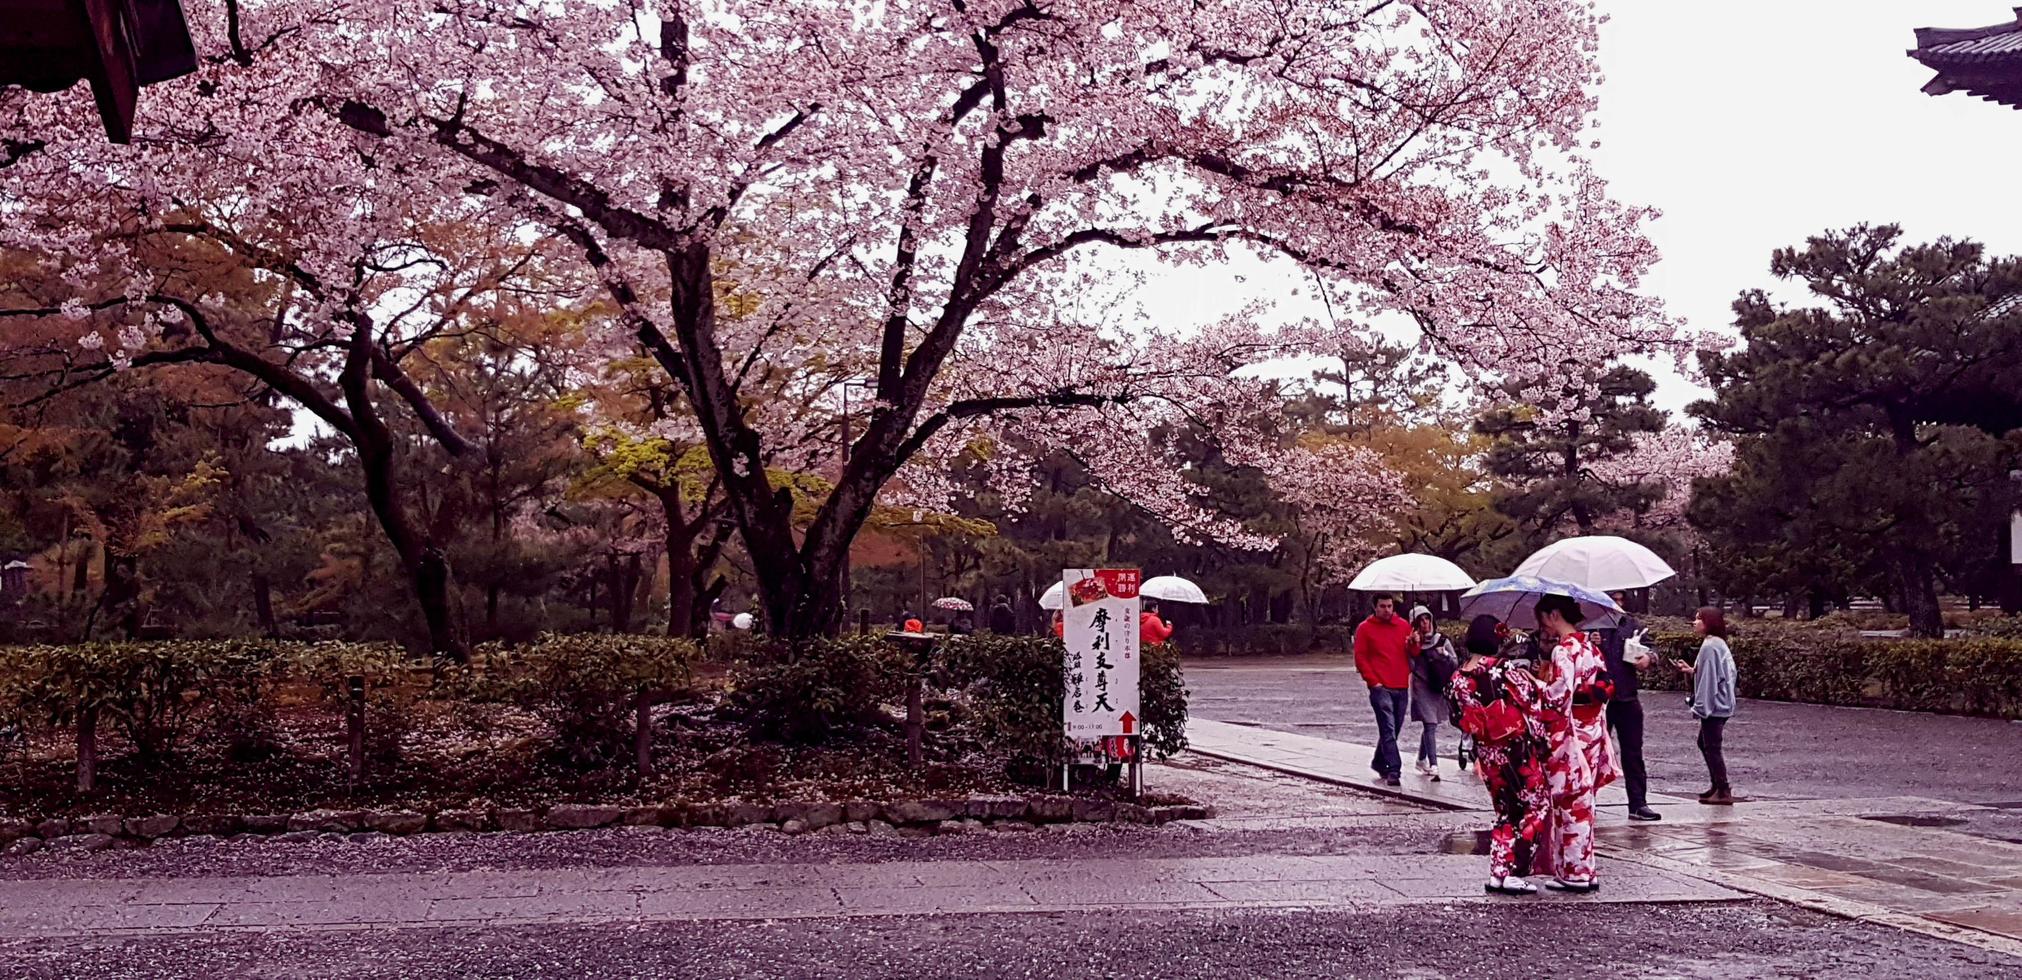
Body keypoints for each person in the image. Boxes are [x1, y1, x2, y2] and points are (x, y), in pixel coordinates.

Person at [1448, 613, 1551, 895]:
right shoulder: (1500, 669)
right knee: (1536, 806)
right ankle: (1516, 869)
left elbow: (1457, 718)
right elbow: (1531, 697)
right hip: (1516, 749)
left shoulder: (1458, 677)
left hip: (1487, 752)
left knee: (1505, 811)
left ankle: (1499, 871)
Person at [1532, 593, 1618, 894]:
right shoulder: (1592, 649)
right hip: (1592, 730)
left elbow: (1559, 696)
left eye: (1543, 618)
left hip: (1570, 733)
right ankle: (1585, 867)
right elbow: (1603, 687)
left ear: (1554, 615)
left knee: (1569, 803)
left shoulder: (1564, 651)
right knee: (1585, 800)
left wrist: (1536, 686)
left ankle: (1575, 871)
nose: (1543, 626)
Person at [1599, 591, 1659, 822]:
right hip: (1598, 699)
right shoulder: (1588, 624)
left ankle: (1638, 803)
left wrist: (1649, 658)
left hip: (1627, 696)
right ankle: (1585, 799)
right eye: (1614, 597)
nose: (1618, 602)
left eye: (1621, 598)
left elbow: (1652, 648)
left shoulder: (1631, 623)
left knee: (1633, 753)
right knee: (1592, 753)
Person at [1675, 606, 1738, 805]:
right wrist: (1692, 670)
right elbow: (1713, 672)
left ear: (1708, 622)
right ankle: (1717, 786)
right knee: (1706, 744)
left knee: (1711, 746)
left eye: (1698, 619)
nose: (1694, 623)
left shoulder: (1710, 646)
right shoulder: (1716, 644)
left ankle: (1723, 789)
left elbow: (1710, 680)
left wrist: (1700, 708)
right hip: (1721, 704)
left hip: (1715, 706)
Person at [1353, 594, 1415, 787]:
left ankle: (1379, 761)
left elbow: (1413, 654)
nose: (1387, 610)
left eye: (1389, 606)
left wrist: (1414, 643)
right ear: (1375, 607)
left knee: (1394, 728)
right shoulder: (1365, 628)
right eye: (1383, 606)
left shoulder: (1404, 626)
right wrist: (1373, 682)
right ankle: (1393, 769)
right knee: (1387, 728)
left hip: (1401, 685)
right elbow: (1360, 657)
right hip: (1381, 686)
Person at [1406, 605, 1459, 781]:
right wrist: (1412, 647)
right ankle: (1434, 764)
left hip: (1438, 687)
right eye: (1420, 620)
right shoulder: (1414, 642)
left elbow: (1454, 663)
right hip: (1422, 687)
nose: (1425, 623)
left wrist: (1444, 656)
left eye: (1427, 619)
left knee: (1432, 724)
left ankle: (1421, 759)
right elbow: (1411, 666)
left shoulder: (1442, 640)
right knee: (1429, 724)